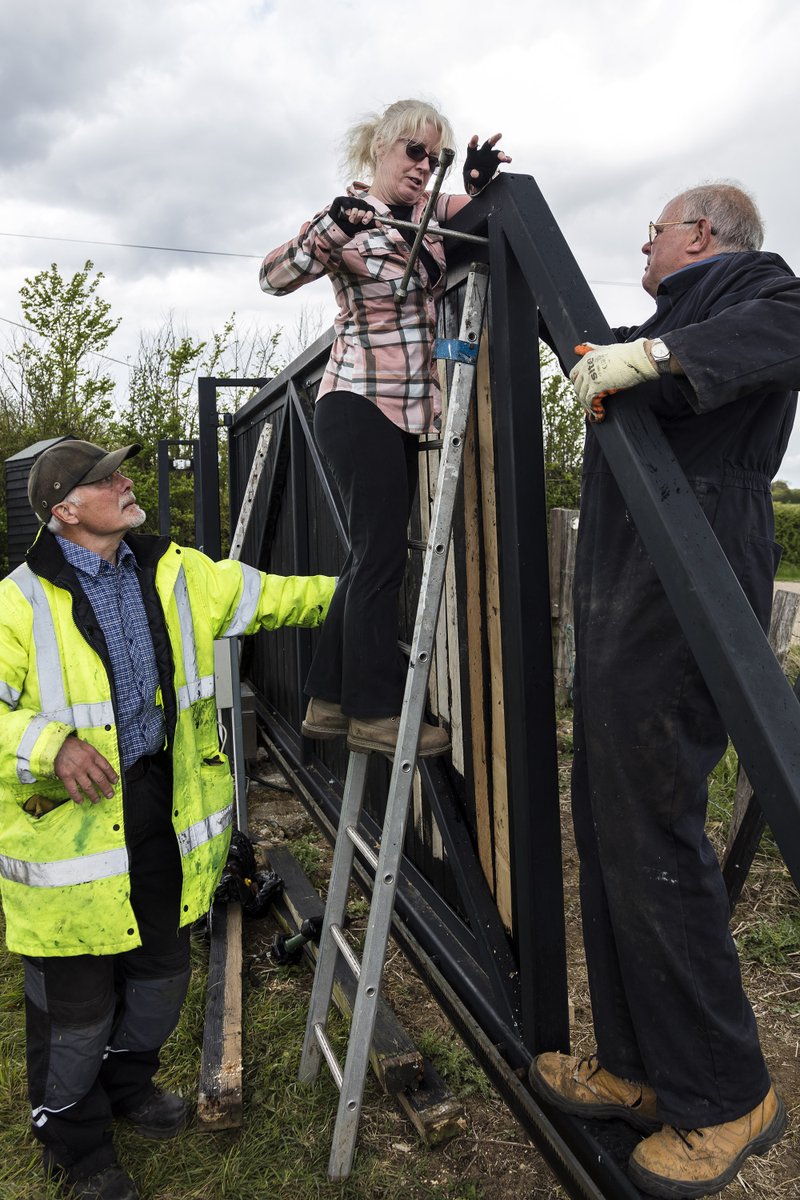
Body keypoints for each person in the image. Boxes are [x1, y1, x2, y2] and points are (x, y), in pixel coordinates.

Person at [528, 184, 799, 1199]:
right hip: (630, 584)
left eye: (653, 231)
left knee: (652, 832)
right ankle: (642, 1068)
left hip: (690, 575)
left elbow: (786, 325)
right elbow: (594, 348)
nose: (642, 246)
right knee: (610, 828)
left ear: (700, 234)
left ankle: (726, 1094)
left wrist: (655, 358)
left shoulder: (755, 285)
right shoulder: (673, 319)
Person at [0, 439, 335, 1200]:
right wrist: (49, 746)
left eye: (119, 471)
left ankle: (129, 1086)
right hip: (70, 831)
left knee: (162, 975)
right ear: (64, 510)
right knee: (77, 1008)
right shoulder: (17, 603)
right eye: (104, 479)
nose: (125, 482)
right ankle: (76, 1143)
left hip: (161, 804)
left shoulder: (176, 572)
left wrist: (367, 588)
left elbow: (274, 596)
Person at [259, 98, 510, 758]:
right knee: (380, 556)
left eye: (436, 156)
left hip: (405, 409)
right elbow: (273, 277)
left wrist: (478, 184)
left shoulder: (429, 215)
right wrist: (330, 228)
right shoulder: (350, 218)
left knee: (370, 553)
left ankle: (326, 699)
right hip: (357, 401)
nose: (424, 166)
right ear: (379, 147)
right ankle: (372, 713)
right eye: (414, 151)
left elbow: (486, 217)